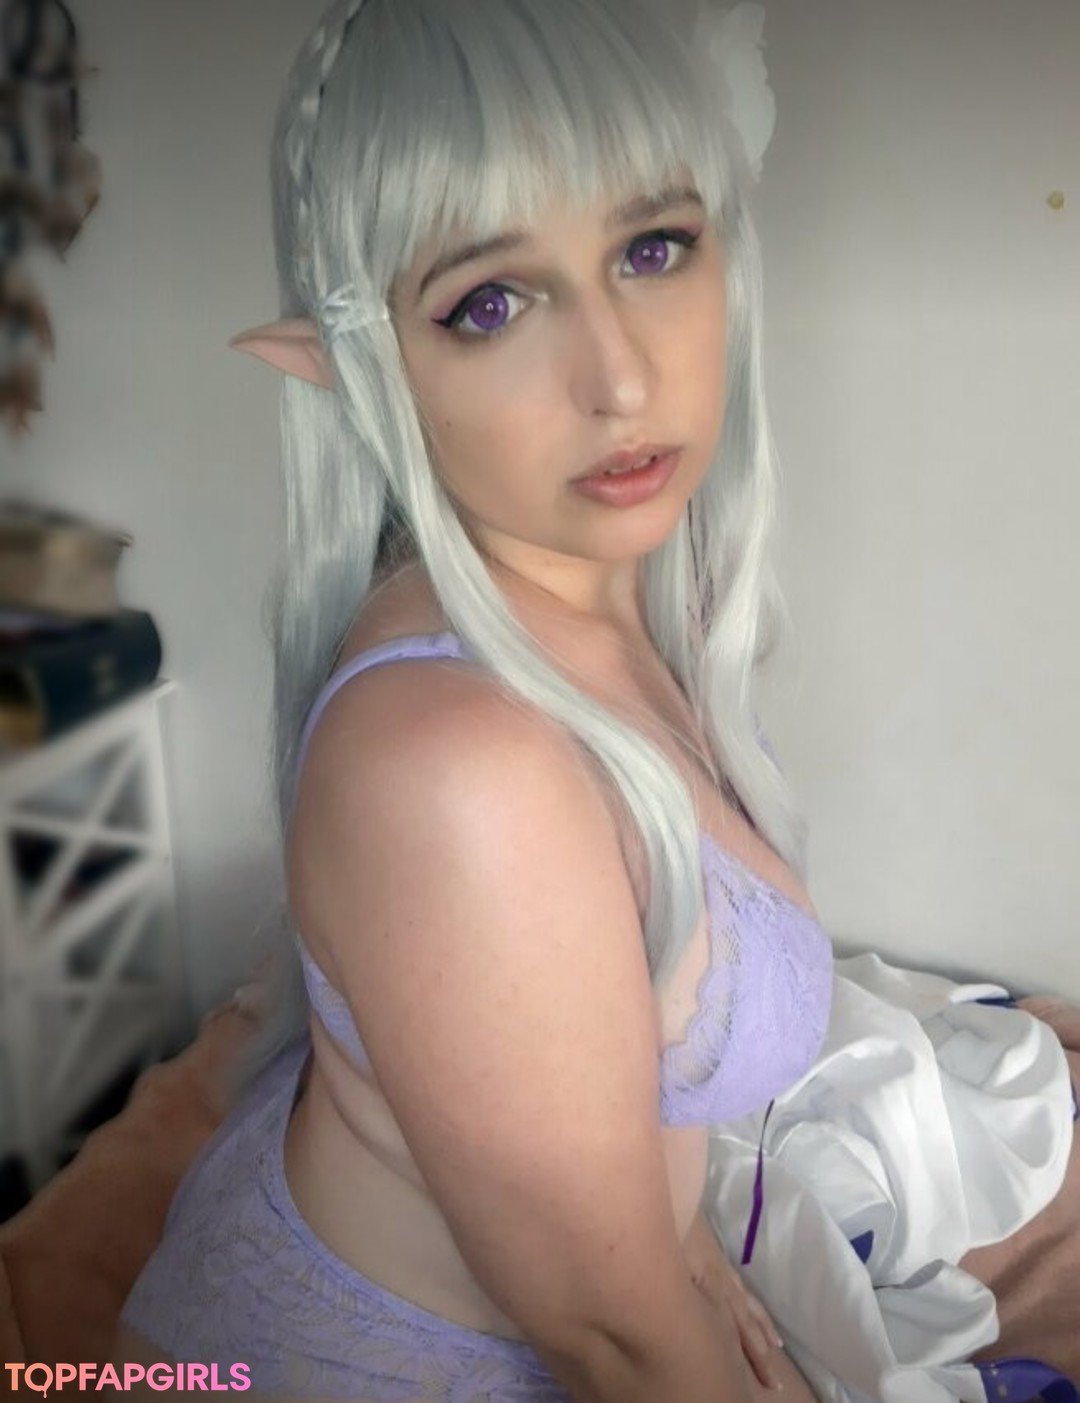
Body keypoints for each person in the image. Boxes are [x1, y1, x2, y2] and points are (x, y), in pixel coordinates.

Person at [112, 1, 1079, 1399]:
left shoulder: (613, 605)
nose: (621, 377)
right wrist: (650, 1297)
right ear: (351, 364)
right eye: (490, 304)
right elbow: (613, 1344)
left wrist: (673, 1243)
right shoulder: (458, 770)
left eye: (652, 247)